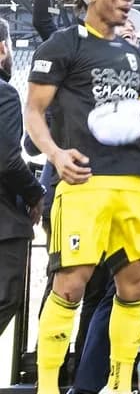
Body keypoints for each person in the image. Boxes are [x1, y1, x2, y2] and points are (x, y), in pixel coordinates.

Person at [24, 0, 140, 394]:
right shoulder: (62, 44)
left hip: (133, 186)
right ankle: (46, 387)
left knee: (134, 288)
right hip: (83, 182)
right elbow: (34, 112)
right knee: (71, 286)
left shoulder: (133, 55)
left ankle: (119, 386)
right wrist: (56, 155)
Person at [0, 18, 44, 337]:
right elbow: (6, 158)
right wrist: (35, 193)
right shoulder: (4, 94)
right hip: (3, 220)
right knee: (6, 298)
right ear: (2, 49)